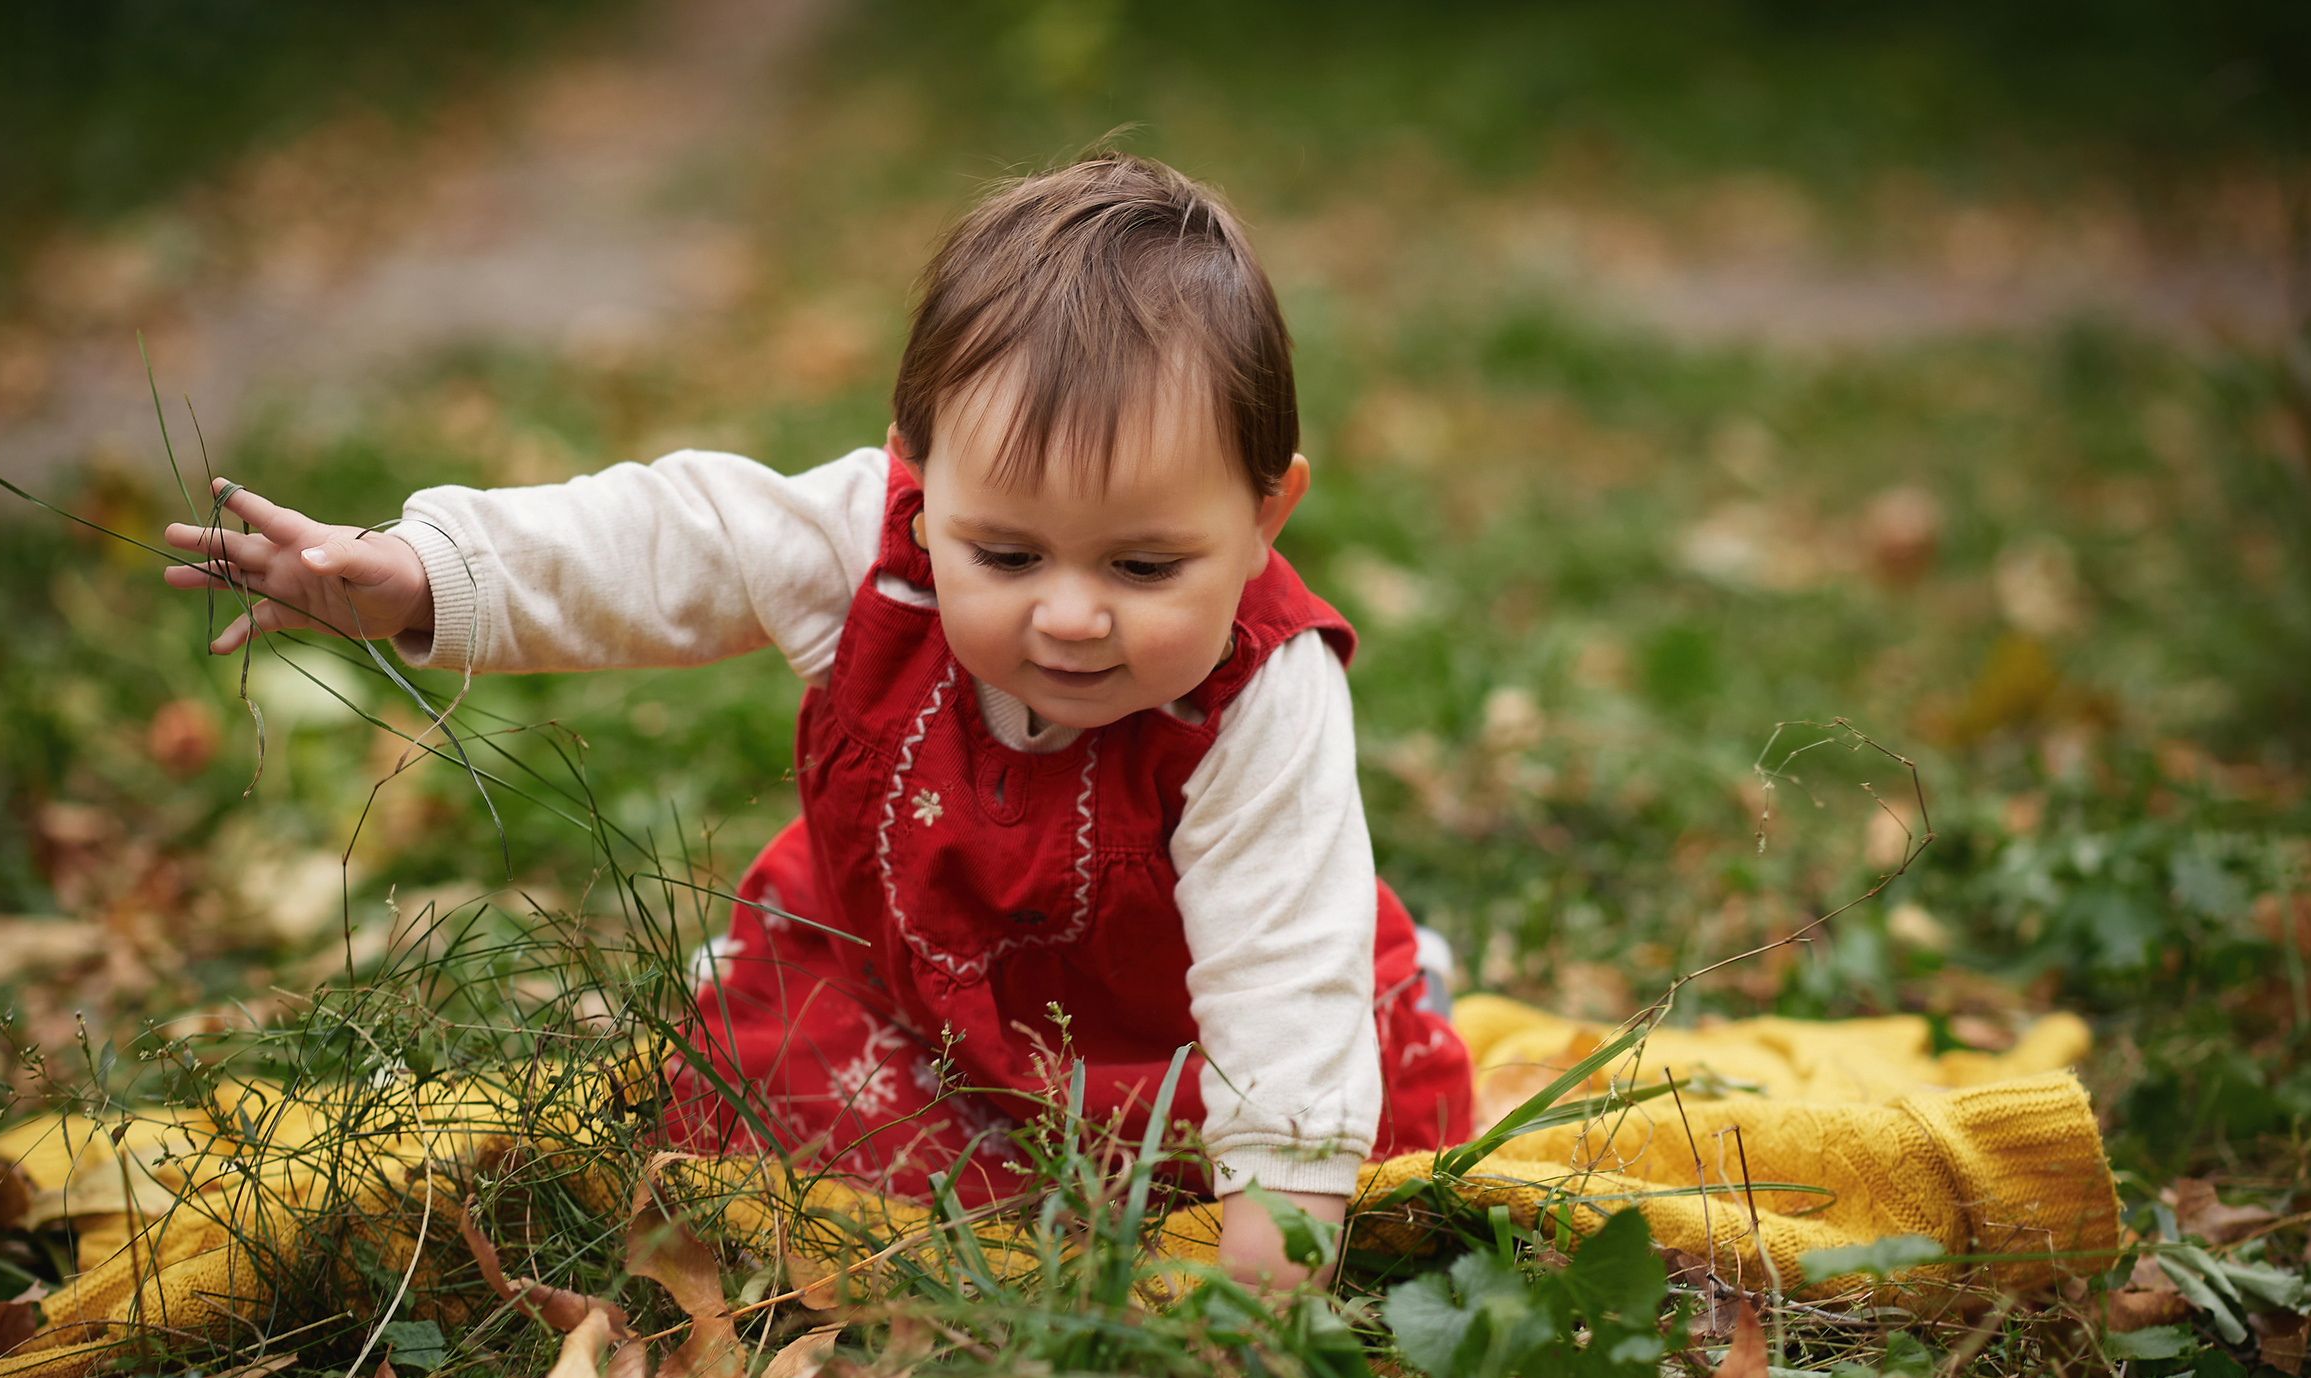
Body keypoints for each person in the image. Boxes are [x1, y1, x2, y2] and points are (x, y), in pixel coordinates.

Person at [160, 153, 1472, 1291]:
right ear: (921, 467)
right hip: (914, 989)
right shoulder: (869, 543)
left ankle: (1350, 1052)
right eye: (1005, 555)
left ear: (1264, 517)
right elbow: (664, 544)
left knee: (1313, 1124)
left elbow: (1280, 982)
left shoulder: (1266, 692)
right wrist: (423, 572)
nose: (1069, 617)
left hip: (1154, 1043)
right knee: (786, 1095)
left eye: (1141, 568)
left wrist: (1273, 1259)